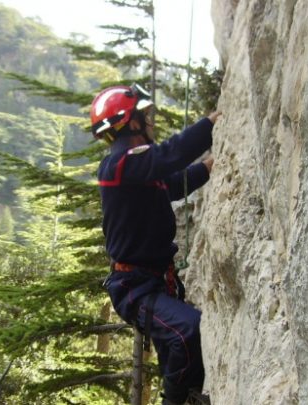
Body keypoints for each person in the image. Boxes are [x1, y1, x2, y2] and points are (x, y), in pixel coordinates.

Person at [91, 83, 219, 405]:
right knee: (188, 330)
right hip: (135, 289)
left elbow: (172, 184)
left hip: (153, 282)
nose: (150, 121)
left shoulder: (136, 171)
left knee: (179, 352)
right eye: (144, 115)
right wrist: (210, 125)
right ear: (129, 122)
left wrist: (208, 167)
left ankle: (185, 394)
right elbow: (168, 157)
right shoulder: (117, 166)